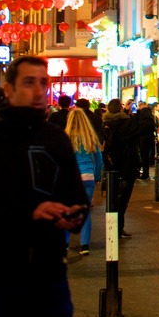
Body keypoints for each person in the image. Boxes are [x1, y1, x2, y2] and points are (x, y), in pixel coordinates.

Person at [0, 55, 88, 317]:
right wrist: (29, 214)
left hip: (49, 276)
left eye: (43, 83)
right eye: (28, 82)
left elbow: (76, 198)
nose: (38, 90)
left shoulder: (55, 138)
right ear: (9, 90)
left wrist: (73, 215)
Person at [66, 108, 103, 255]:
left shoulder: (66, 138)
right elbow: (99, 160)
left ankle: (65, 243)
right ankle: (84, 246)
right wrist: (97, 176)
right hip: (88, 177)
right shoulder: (90, 137)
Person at [102, 98, 140, 239]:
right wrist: (137, 112)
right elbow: (146, 126)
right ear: (120, 109)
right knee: (122, 200)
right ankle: (118, 228)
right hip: (127, 166)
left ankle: (113, 228)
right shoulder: (127, 124)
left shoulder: (105, 124)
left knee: (112, 200)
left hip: (111, 167)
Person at [133, 100, 159, 179]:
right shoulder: (147, 113)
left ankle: (145, 173)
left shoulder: (145, 112)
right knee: (144, 156)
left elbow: (149, 125)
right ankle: (144, 173)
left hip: (144, 138)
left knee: (144, 155)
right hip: (145, 137)